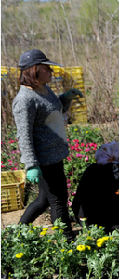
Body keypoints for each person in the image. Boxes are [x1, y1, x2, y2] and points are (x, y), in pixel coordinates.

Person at [14, 49, 84, 241]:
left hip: (55, 154)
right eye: (47, 68)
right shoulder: (24, 100)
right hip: (44, 159)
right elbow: (24, 134)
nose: (51, 71)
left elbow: (53, 111)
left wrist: (66, 98)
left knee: (44, 199)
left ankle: (18, 231)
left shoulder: (44, 89)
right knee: (59, 201)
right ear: (34, 70)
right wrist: (31, 165)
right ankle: (68, 241)